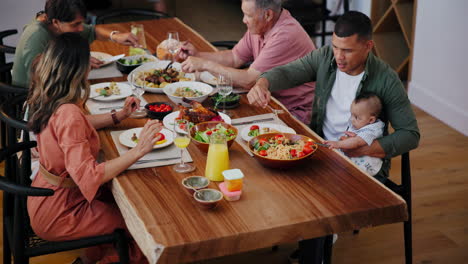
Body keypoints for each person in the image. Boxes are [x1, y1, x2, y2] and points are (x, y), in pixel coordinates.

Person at [26, 33, 160, 264]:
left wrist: (119, 115)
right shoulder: (69, 113)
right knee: (143, 226)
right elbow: (88, 177)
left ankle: (90, 258)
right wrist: (138, 151)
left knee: (123, 202)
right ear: (79, 69)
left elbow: (77, 127)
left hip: (46, 196)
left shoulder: (49, 96)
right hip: (62, 210)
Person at [247, 10, 420, 182]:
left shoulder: (387, 79)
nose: (339, 56)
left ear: (368, 46)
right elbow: (289, 72)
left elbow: (410, 135)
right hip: (321, 149)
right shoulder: (324, 56)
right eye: (335, 47)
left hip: (361, 163)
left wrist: (362, 149)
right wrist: (263, 82)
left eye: (347, 50)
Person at [178, 0, 316, 123]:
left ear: (268, 15)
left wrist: (204, 64)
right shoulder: (261, 26)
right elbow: (234, 57)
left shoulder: (284, 35)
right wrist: (198, 55)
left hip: (292, 113)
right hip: (268, 101)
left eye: (248, 15)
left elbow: (249, 80)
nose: (244, 20)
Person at [12, 0, 139, 88]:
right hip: (29, 95)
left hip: (55, 86)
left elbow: (92, 31)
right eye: (75, 24)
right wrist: (76, 61)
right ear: (56, 22)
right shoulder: (36, 35)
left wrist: (115, 36)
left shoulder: (59, 23)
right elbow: (40, 76)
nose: (81, 28)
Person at [325, 93, 385, 176]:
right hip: (352, 162)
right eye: (351, 115)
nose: (352, 120)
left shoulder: (372, 130)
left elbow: (356, 142)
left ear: (371, 120)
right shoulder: (361, 123)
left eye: (356, 117)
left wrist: (338, 144)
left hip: (366, 168)